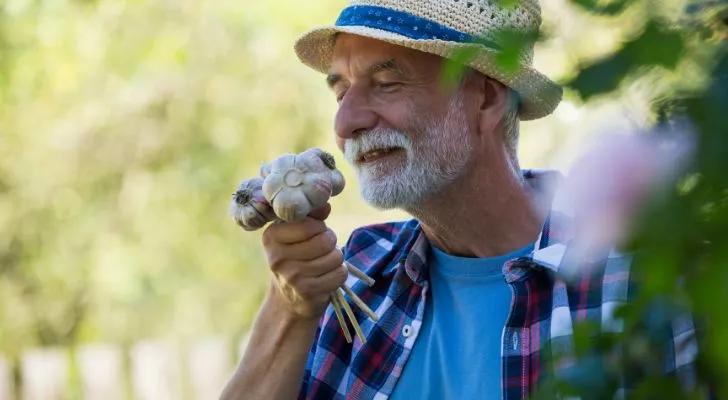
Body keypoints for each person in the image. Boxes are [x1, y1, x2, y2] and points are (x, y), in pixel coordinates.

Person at [221, 0, 700, 399]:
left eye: (387, 84)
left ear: (487, 99)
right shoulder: (356, 276)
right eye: (341, 90)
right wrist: (291, 308)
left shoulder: (645, 275)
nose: (345, 124)